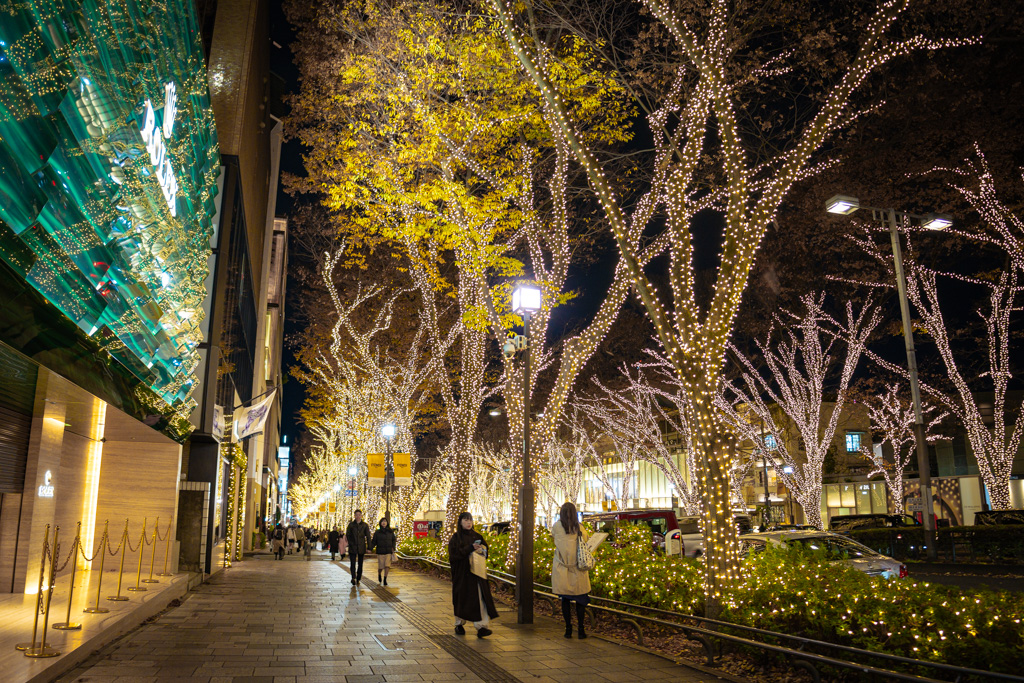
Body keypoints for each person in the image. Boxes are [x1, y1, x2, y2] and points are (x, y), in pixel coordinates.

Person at [448, 512, 498, 638]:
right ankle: (459, 624)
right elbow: (454, 556)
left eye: (470, 520)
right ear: (460, 522)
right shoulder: (456, 538)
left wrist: (482, 550)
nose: (468, 523)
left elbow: (486, 551)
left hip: (477, 574)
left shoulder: (478, 536)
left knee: (480, 600)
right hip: (462, 575)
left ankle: (482, 627)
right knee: (461, 599)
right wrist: (470, 548)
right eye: (465, 520)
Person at [551, 501, 591, 639]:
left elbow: (554, 538)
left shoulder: (556, 527)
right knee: (580, 601)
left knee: (565, 600)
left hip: (563, 569)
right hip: (578, 569)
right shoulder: (580, 528)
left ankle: (568, 629)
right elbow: (586, 542)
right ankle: (581, 629)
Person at [345, 510, 372, 585]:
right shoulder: (351, 525)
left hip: (361, 546)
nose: (357, 516)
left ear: (361, 516)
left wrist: (369, 547)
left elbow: (368, 536)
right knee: (352, 563)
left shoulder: (365, 525)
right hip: (353, 546)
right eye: (356, 515)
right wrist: (351, 543)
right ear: (354, 516)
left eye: (359, 515)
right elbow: (348, 535)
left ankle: (358, 577)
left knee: (360, 563)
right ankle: (353, 577)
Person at [371, 518, 397, 585]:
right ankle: (379, 574)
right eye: (382, 521)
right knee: (381, 566)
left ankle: (385, 578)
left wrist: (393, 547)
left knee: (387, 565)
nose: (384, 523)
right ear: (380, 523)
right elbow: (374, 541)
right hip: (380, 551)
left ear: (387, 523)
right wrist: (370, 548)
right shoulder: (377, 532)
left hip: (388, 551)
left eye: (385, 521)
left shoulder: (390, 532)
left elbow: (394, 540)